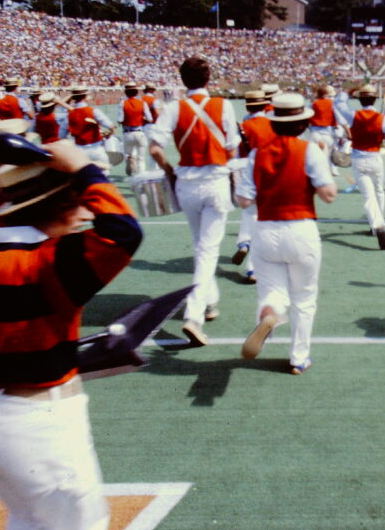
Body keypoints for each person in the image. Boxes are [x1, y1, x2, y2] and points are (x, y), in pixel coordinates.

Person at [0, 137, 143, 530]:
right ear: (58, 205)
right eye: (76, 201)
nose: (86, 211)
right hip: (41, 425)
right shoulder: (48, 262)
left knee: (28, 523)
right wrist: (86, 170)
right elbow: (122, 232)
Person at [236, 93, 337, 374]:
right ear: (302, 123)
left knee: (272, 293)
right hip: (301, 229)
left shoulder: (257, 154)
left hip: (266, 229)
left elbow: (244, 200)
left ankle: (269, 314)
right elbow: (329, 194)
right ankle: (298, 357)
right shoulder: (310, 150)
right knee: (304, 298)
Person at [149, 56, 240, 346]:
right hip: (216, 181)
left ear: (182, 79)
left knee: (201, 246)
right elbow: (232, 148)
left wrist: (168, 170)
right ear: (208, 79)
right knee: (208, 249)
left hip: (186, 183)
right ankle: (194, 314)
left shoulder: (173, 108)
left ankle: (209, 301)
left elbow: (155, 149)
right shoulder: (223, 105)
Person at [341, 84, 385, 250]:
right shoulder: (384, 119)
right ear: (375, 99)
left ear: (360, 100)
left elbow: (338, 104)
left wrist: (347, 91)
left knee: (368, 196)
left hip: (359, 159)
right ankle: (378, 225)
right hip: (375, 158)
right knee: (379, 191)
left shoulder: (353, 115)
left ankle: (377, 225)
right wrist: (384, 143)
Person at [231, 89, 276, 284]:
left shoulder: (243, 126)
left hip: (244, 169)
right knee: (264, 217)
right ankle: (252, 267)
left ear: (248, 106)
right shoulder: (273, 124)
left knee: (249, 211)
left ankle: (244, 241)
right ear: (265, 105)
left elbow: (232, 151)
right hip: (268, 170)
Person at [67, 87, 115, 170]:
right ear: (85, 97)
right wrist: (109, 134)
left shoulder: (69, 114)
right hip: (96, 149)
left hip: (79, 150)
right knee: (103, 174)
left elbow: (61, 135)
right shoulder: (93, 111)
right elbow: (111, 126)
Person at [117, 82, 153, 176]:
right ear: (136, 92)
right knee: (141, 159)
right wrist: (142, 119)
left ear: (126, 92)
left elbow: (120, 120)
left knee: (129, 153)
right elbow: (150, 119)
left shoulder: (123, 103)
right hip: (140, 132)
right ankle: (141, 178)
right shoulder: (142, 103)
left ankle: (130, 159)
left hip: (127, 133)